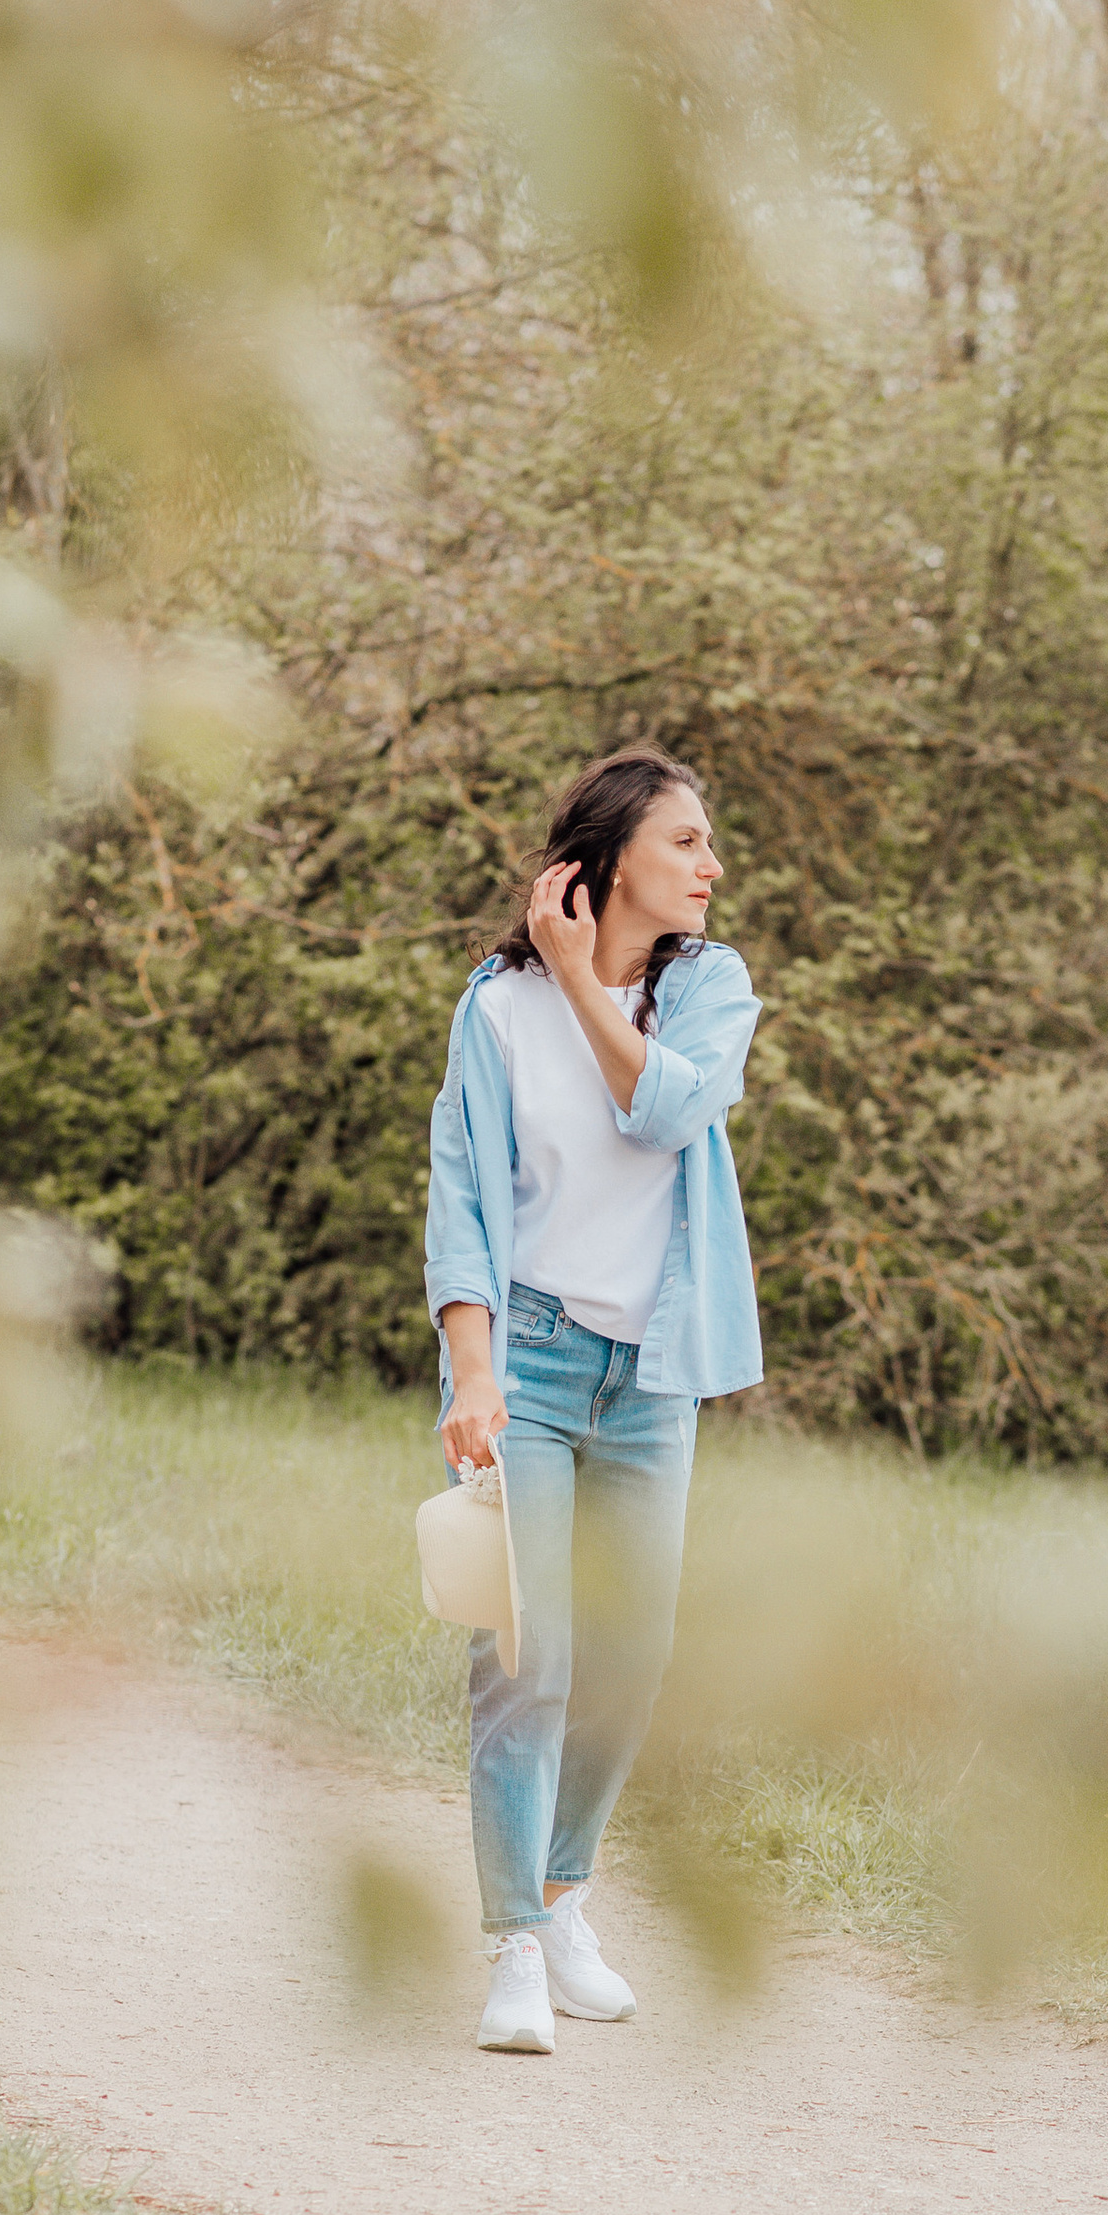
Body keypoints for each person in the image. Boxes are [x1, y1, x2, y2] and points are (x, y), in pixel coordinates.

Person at [424, 745, 763, 2052]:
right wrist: (473, 1369)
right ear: (617, 852)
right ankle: (513, 1940)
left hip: (653, 1375)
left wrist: (581, 977)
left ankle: (565, 1894)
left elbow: (669, 1110)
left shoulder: (710, 988)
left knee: (628, 1657)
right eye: (688, 840)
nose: (710, 865)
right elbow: (461, 1195)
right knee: (528, 1652)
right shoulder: (496, 1008)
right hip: (538, 1363)